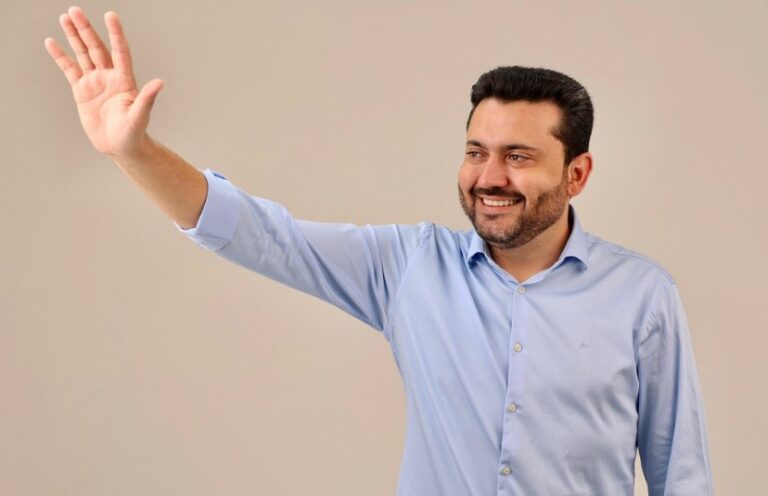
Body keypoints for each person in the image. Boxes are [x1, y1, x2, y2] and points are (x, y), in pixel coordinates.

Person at [45, 6, 714, 495]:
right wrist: (133, 151)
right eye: (476, 152)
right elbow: (260, 234)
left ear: (577, 174)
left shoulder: (642, 295)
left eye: (518, 156)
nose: (488, 177)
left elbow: (680, 473)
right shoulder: (410, 267)